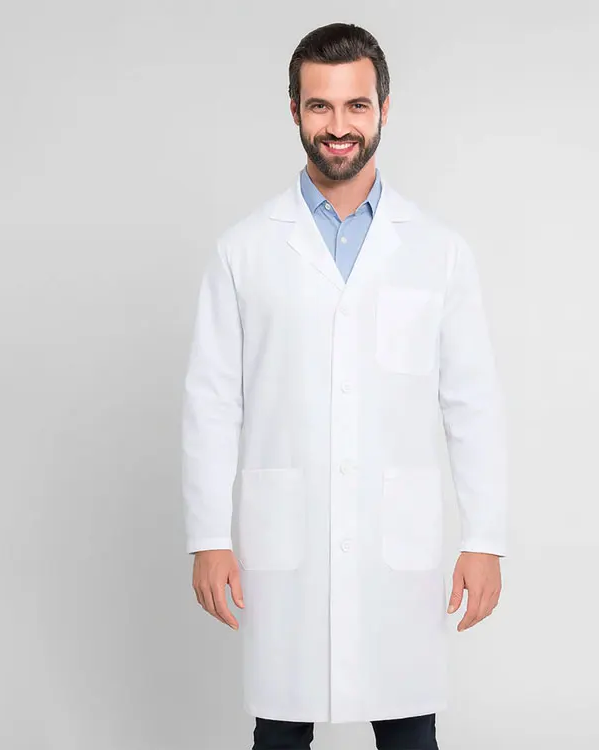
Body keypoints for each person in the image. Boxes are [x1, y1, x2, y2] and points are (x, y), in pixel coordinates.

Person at [181, 21, 507, 750]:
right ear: (295, 110)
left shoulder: (439, 251)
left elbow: (472, 404)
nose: (338, 126)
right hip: (285, 538)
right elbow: (212, 402)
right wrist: (208, 536)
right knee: (280, 728)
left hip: (397, 541)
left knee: (409, 727)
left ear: (383, 109)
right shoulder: (244, 251)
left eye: (356, 105)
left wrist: (485, 537)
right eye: (320, 105)